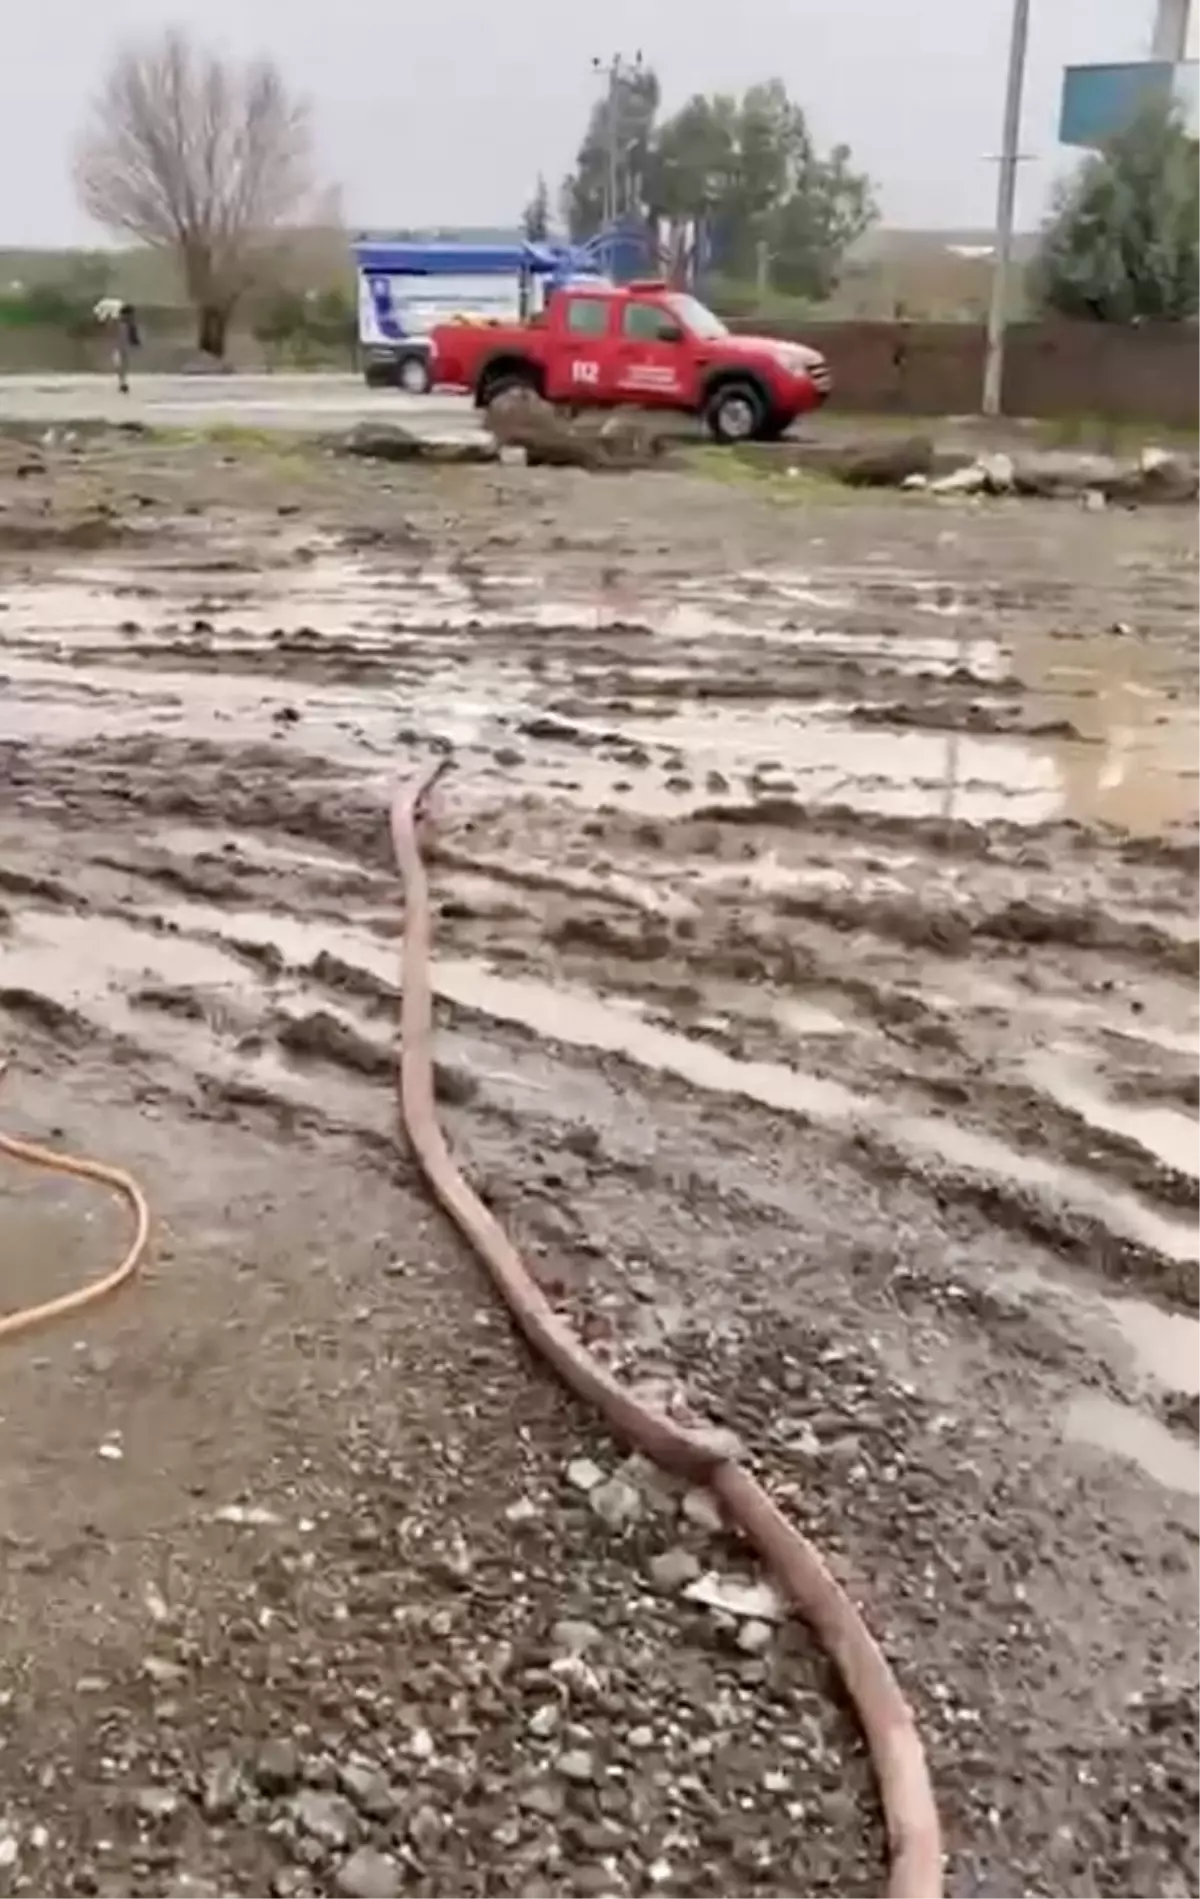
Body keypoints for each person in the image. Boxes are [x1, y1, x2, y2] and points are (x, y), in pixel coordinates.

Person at [93, 297, 141, 393]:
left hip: (114, 318)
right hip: (104, 314)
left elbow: (130, 323)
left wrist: (134, 338)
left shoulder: (120, 309)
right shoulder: (108, 313)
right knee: (120, 355)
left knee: (122, 355)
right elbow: (106, 324)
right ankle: (122, 381)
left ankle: (122, 380)